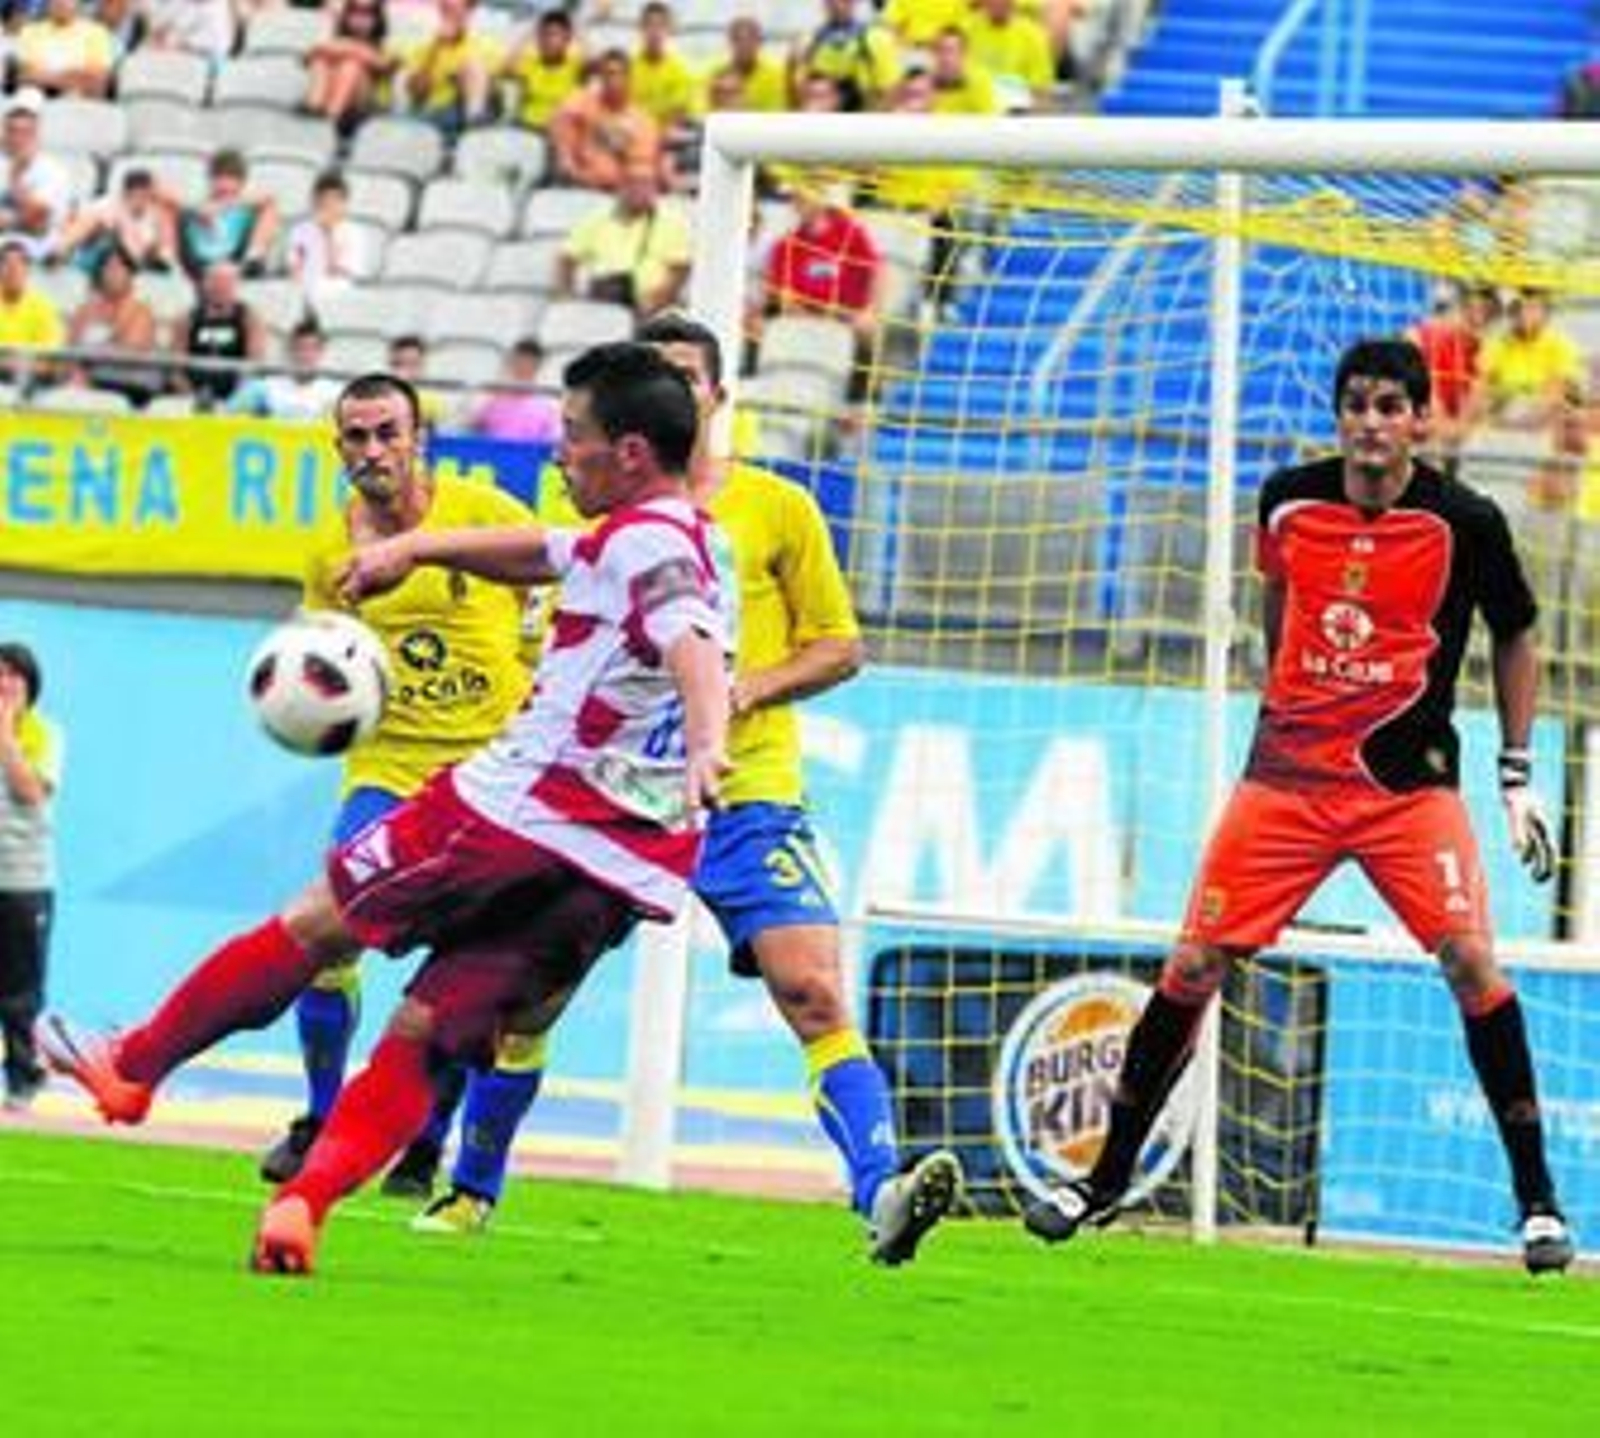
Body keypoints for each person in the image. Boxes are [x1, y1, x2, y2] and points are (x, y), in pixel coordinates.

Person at [42, 342, 734, 1280]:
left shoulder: (649, 548)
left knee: (318, 923)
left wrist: (705, 736)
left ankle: (137, 1066)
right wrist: (413, 547)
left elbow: (683, 629)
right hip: (618, 868)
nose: (560, 454)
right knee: (426, 1031)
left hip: (513, 811)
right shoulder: (679, 534)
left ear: (635, 453)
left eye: (575, 438)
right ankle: (303, 1205)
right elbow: (541, 553)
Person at [409, 312, 964, 1268]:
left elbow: (840, 646)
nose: (669, 391)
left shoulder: (777, 508)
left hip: (744, 790)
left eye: (684, 377)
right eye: (652, 375)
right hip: (610, 793)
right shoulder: (592, 505)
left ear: (715, 398)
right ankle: (471, 1188)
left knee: (813, 987)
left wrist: (746, 688)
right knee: (527, 1001)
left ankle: (883, 1192)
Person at [1021, 338, 1575, 1276]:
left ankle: (1537, 1206)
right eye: (1356, 404)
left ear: (1420, 420)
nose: (1371, 422)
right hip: (1287, 780)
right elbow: (1279, 597)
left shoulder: (1465, 520)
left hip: (1408, 789)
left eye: (1390, 406)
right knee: (1194, 960)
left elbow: (1519, 631)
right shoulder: (1288, 499)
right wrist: (1287, 698)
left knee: (1472, 961)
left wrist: (1516, 775)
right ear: (1339, 416)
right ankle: (1103, 1179)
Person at [242, 368, 538, 1185]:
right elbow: (320, 658)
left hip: (489, 774)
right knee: (328, 941)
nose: (373, 449)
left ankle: (424, 1140)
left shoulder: (486, 516)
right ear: (338, 448)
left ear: (420, 439)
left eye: (388, 433)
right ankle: (321, 1118)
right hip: (386, 768)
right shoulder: (328, 549)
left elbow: (545, 604)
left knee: (463, 968)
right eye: (357, 436)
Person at [0, 641, 60, 1111]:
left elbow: (30, 792)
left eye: (14, 676)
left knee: (19, 990)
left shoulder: (44, 734)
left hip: (23, 881)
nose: (4, 684)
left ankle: (23, 1077)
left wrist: (4, 733)